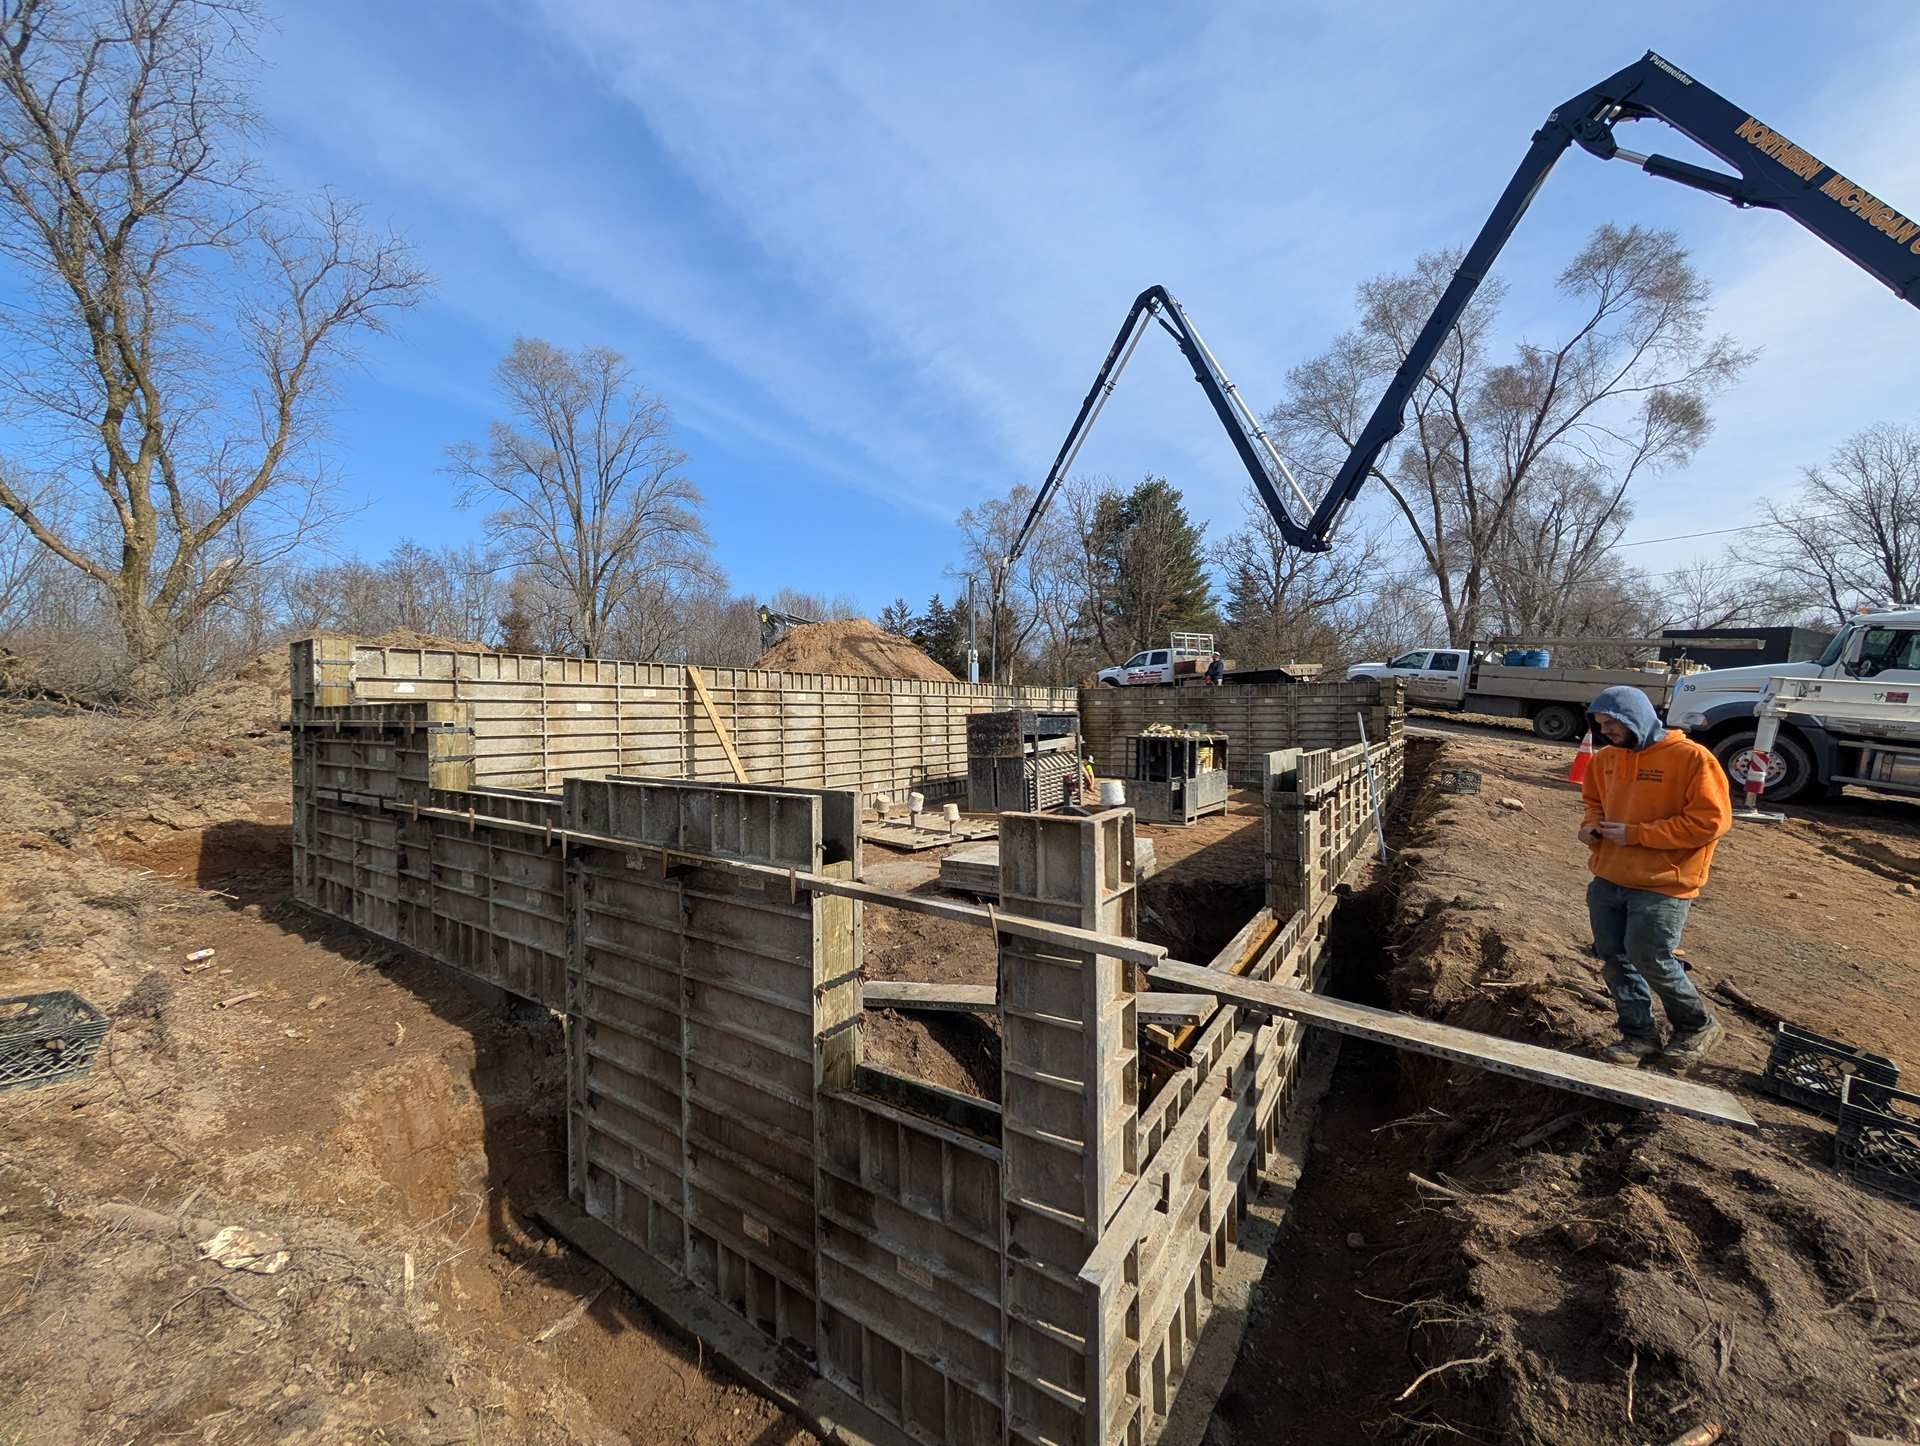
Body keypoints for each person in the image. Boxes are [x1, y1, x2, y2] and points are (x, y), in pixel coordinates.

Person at [1577, 685, 1732, 1072]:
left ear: (1636, 719)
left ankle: (1697, 1025)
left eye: (1613, 725)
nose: (1607, 732)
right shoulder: (1607, 759)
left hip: (1664, 883)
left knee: (1651, 958)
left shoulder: (1692, 759)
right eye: (1601, 725)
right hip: (1610, 877)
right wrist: (1591, 826)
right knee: (1614, 958)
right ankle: (1638, 1035)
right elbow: (1593, 801)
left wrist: (1639, 834)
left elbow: (1710, 822)